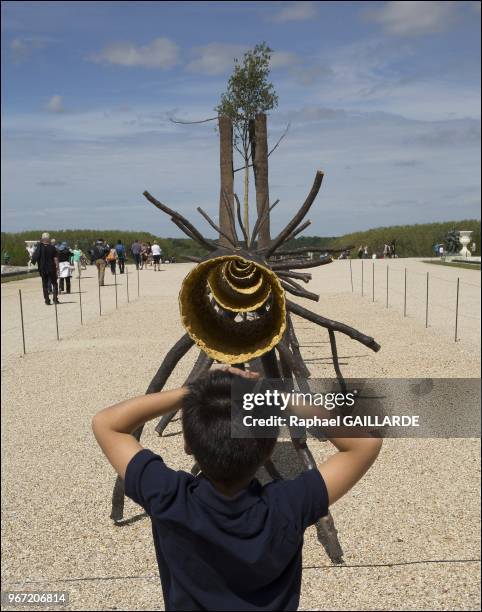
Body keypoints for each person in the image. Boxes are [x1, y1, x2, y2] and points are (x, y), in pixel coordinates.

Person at [92, 367, 382, 611]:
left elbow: (107, 423)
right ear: (269, 450)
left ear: (188, 445)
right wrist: (277, 395)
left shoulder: (169, 496)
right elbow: (363, 443)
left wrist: (191, 391)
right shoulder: (288, 505)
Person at [31, 232, 59, 305]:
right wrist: (58, 268)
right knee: (54, 284)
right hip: (51, 268)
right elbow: (55, 259)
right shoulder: (52, 248)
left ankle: (47, 300)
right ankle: (55, 299)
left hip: (43, 268)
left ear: (42, 239)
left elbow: (34, 257)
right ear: (49, 239)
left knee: (45, 285)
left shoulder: (39, 248)